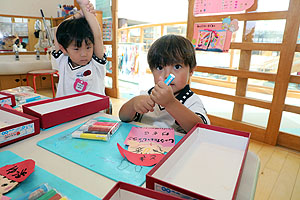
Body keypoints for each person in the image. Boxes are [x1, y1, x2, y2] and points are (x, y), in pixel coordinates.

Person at [119, 35, 210, 133]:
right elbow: (123, 117)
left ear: (191, 71)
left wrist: (170, 103)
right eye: (159, 67)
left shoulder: (192, 101)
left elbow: (200, 130)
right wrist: (133, 104)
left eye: (177, 66)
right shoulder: (147, 95)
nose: (167, 75)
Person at [52, 0, 106, 97]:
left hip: (95, 112)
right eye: (76, 49)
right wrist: (79, 14)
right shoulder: (63, 61)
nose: (84, 54)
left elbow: (97, 35)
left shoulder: (96, 63)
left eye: (88, 47)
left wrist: (84, 7)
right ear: (64, 49)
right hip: (66, 110)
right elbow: (58, 31)